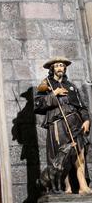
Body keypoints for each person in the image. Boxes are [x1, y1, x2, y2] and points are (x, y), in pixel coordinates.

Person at [35, 57, 92, 194]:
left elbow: (81, 106)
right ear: (52, 69)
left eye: (62, 65)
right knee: (62, 156)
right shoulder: (46, 85)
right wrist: (54, 94)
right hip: (57, 124)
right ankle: (67, 187)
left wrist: (86, 120)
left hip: (74, 122)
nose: (60, 68)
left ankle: (83, 186)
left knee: (79, 154)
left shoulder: (71, 86)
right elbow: (38, 105)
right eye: (57, 66)